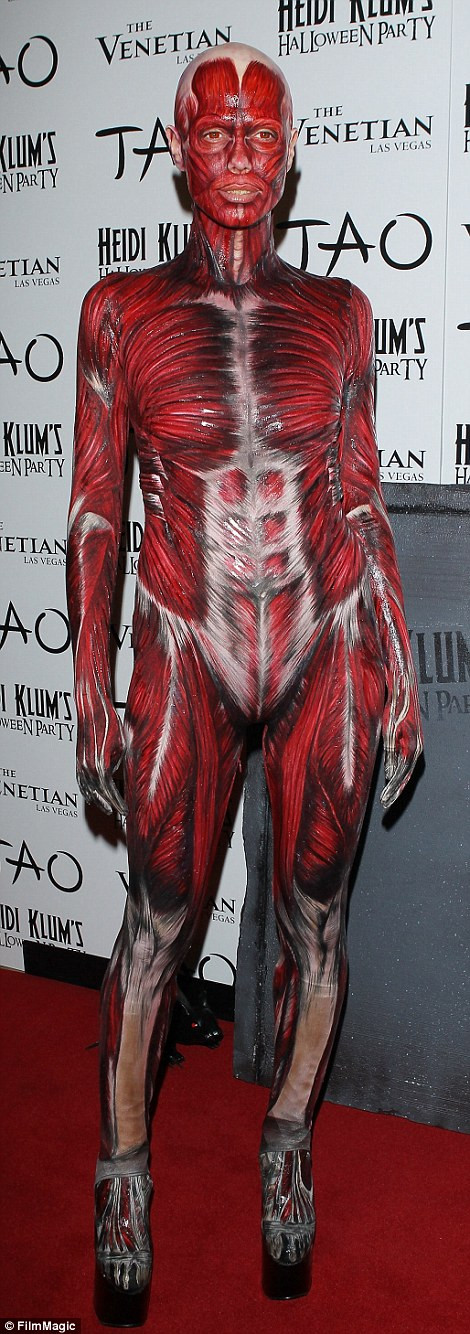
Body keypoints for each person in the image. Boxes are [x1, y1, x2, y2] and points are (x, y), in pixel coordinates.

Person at [66, 42, 423, 1322]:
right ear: (176, 152)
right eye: (213, 131)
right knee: (157, 921)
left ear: (288, 155)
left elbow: (359, 494)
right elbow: (97, 509)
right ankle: (122, 1169)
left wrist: (391, 651)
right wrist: (89, 674)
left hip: (322, 631)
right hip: (186, 634)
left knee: (317, 918)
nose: (236, 152)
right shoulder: (119, 311)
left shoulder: (340, 312)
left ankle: (286, 1136)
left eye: (259, 132)